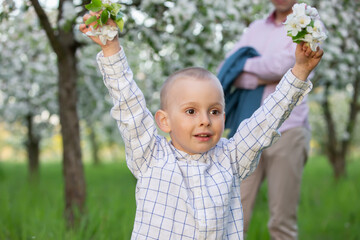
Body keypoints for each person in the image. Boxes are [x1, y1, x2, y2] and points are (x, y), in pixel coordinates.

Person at [79, 10, 323, 240]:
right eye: (191, 111)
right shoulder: (150, 157)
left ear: (224, 118)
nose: (205, 120)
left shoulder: (232, 158)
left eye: (214, 111)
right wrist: (111, 48)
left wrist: (299, 71)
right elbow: (128, 103)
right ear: (164, 121)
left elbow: (267, 119)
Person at [220, 0, 313, 239]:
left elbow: (286, 65)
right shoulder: (255, 28)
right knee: (233, 213)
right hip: (248, 130)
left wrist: (245, 68)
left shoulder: (308, 23)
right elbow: (228, 66)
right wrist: (260, 77)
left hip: (288, 129)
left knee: (282, 219)